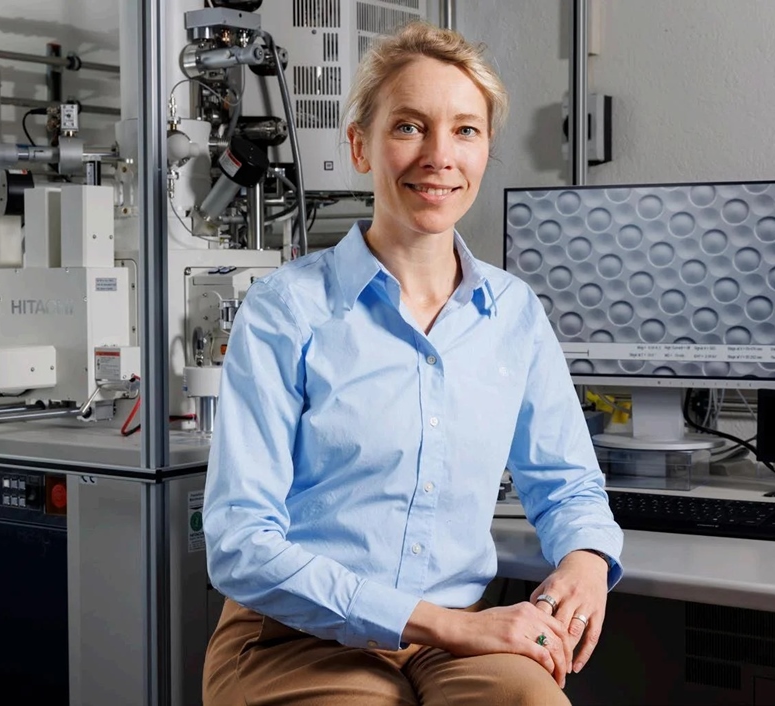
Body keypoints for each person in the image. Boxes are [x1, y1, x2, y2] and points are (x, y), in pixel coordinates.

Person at [202, 21, 624, 705]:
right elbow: (240, 544)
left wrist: (585, 562)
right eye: (409, 127)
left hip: (454, 642)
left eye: (465, 130)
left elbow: (569, 485)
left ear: (486, 149)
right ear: (360, 145)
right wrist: (448, 624)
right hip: (296, 639)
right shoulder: (286, 312)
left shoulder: (513, 314)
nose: (439, 155)